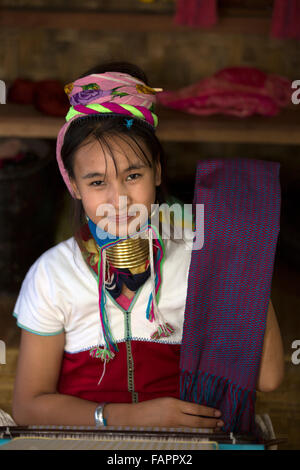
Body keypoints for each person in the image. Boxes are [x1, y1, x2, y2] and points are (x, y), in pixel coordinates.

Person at [12, 61, 284, 431]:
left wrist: (244, 259)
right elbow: (29, 407)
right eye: (96, 182)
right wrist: (128, 417)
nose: (119, 197)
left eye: (133, 175)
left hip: (182, 443)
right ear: (73, 185)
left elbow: (266, 379)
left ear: (157, 170)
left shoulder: (199, 259)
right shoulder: (54, 274)